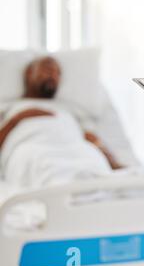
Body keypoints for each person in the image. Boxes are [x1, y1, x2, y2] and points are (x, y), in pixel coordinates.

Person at [0, 57, 123, 187]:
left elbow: (90, 137)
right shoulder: (10, 108)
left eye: (58, 73)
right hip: (32, 148)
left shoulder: (69, 110)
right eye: (47, 69)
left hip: (76, 147)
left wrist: (112, 162)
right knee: (45, 171)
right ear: (29, 73)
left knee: (94, 165)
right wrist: (18, 118)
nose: (53, 75)